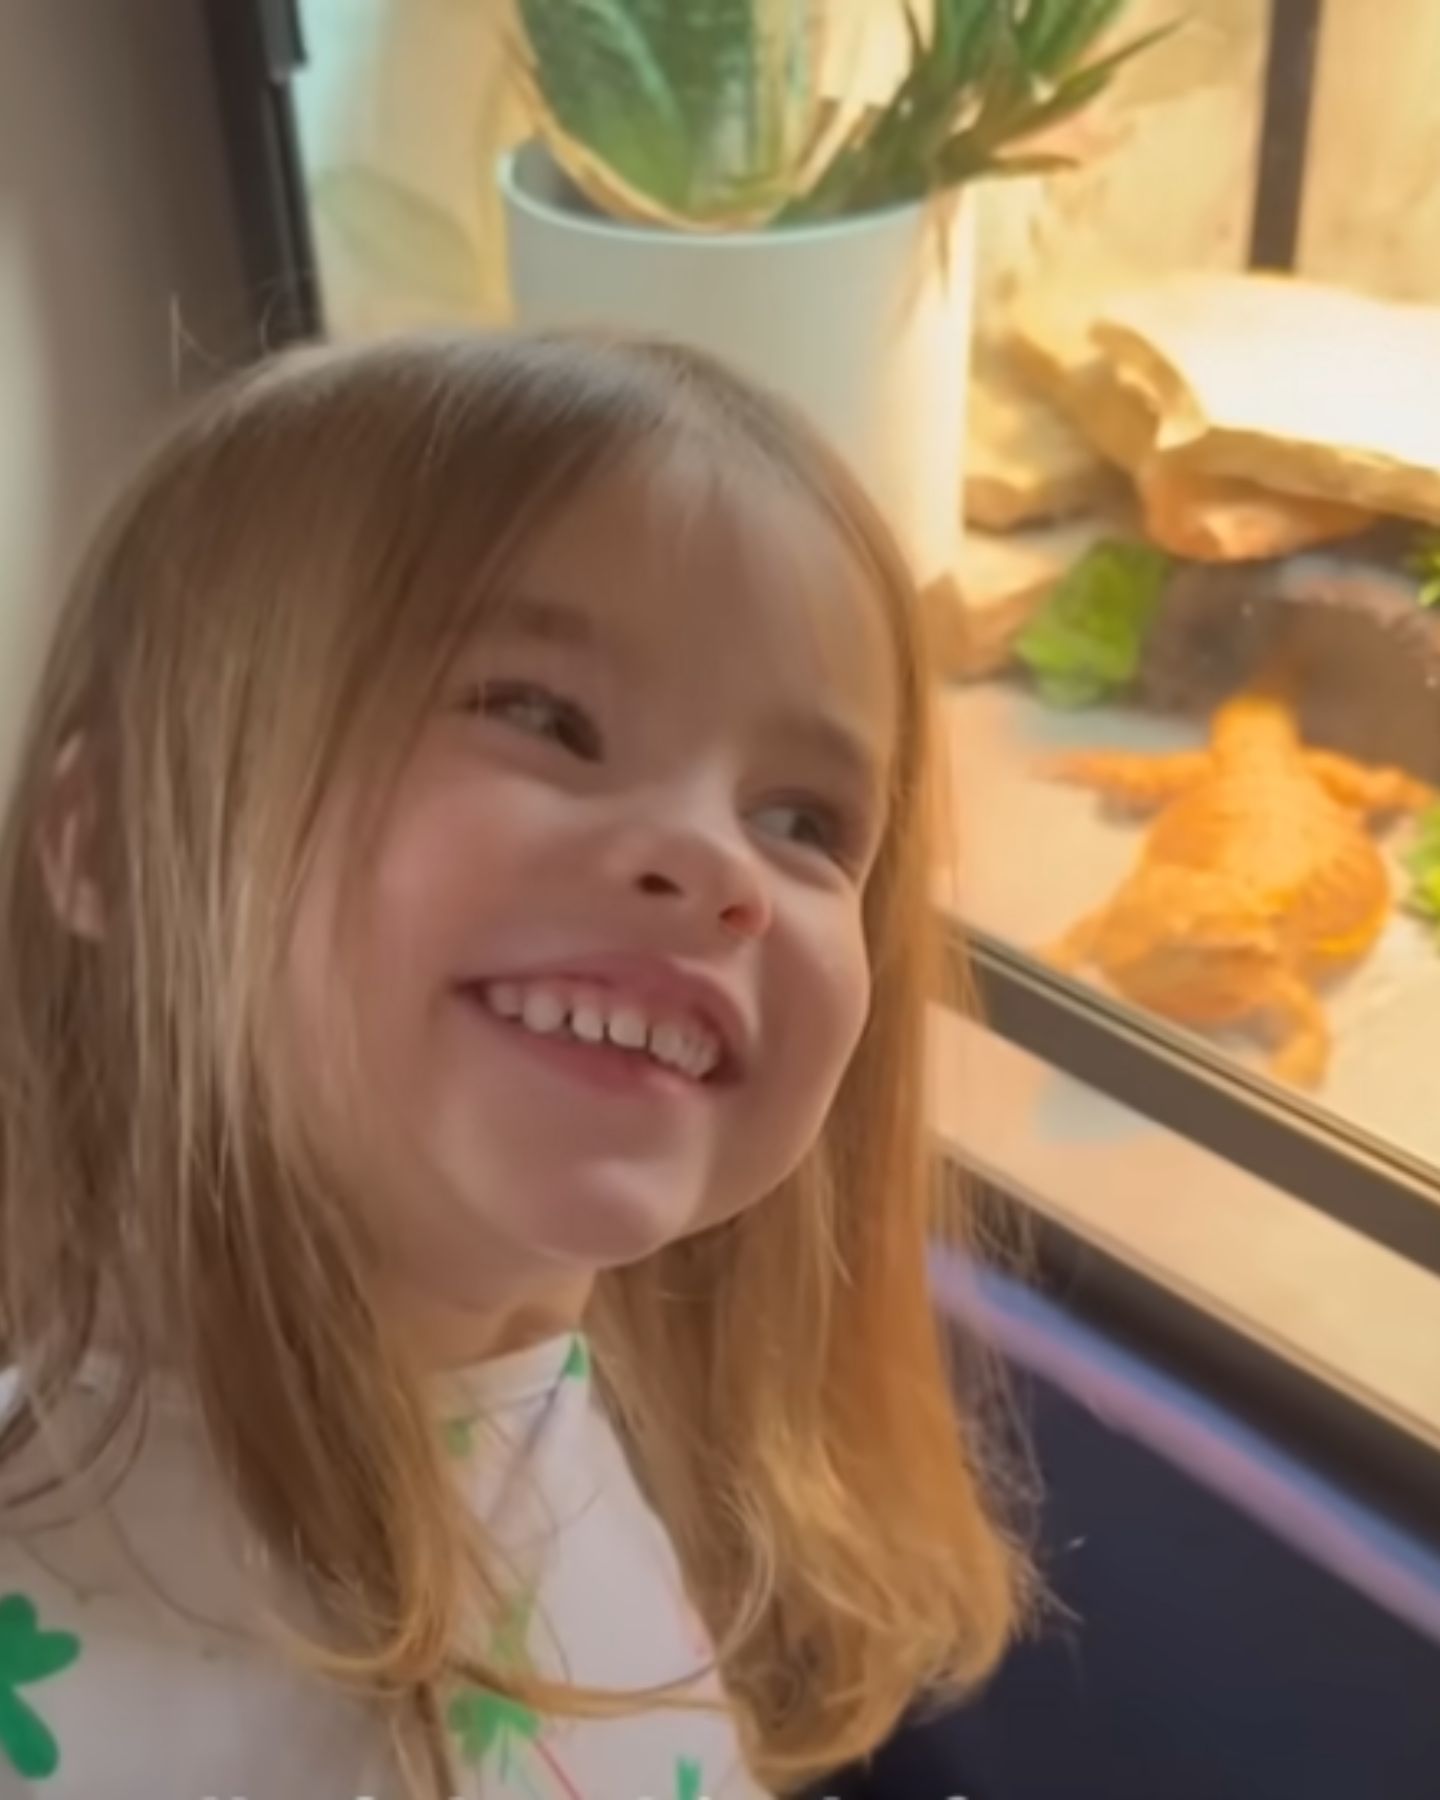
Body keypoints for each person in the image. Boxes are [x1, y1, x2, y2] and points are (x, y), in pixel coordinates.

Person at [0, 332, 1025, 1798]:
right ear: (111, 847)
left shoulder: (554, 1411)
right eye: (540, 716)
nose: (718, 864)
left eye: (804, 820)